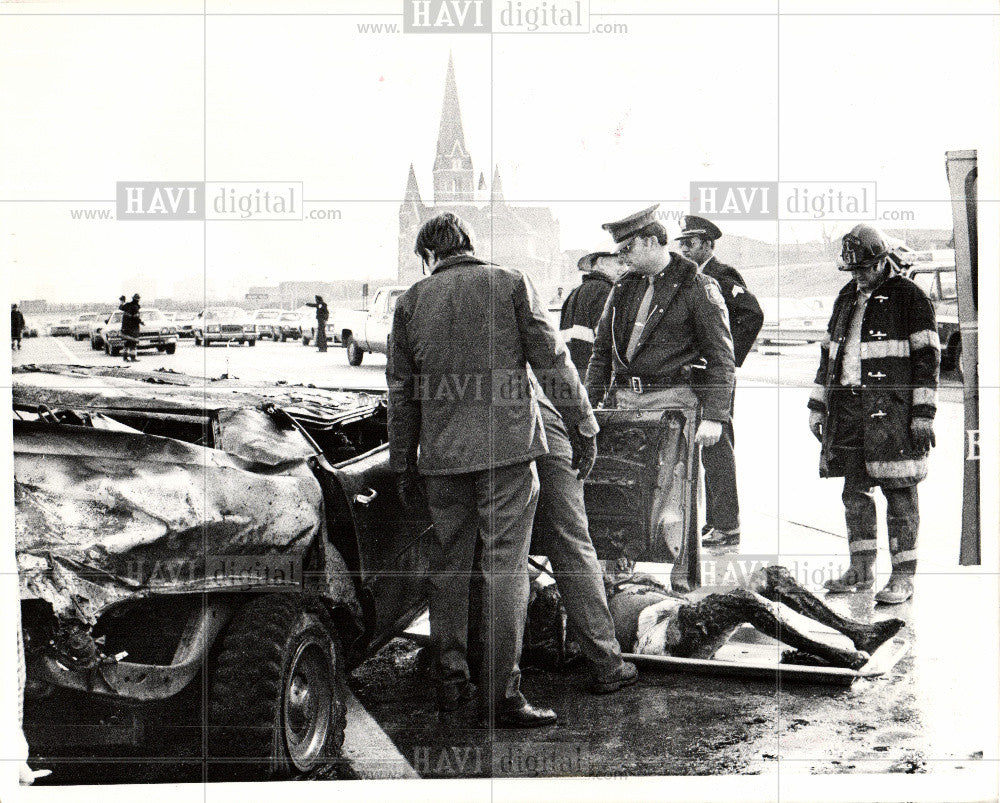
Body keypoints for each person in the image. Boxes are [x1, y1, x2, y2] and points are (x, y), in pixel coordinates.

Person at [387, 212, 597, 728]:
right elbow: (554, 361)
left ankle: (451, 682)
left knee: (450, 570)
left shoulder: (410, 303)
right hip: (506, 455)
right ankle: (502, 695)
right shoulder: (509, 283)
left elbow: (401, 394)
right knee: (506, 568)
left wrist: (402, 465)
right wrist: (583, 424)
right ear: (469, 245)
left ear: (427, 256)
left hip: (440, 461)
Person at [808, 224, 939, 605]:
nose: (858, 275)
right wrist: (818, 405)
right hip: (848, 409)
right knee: (854, 492)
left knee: (900, 493)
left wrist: (923, 414)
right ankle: (861, 571)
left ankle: (902, 576)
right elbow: (828, 356)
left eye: (864, 268)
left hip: (893, 413)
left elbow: (927, 359)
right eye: (852, 270)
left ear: (882, 260)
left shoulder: (910, 296)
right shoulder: (846, 297)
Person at [526, 565, 904, 671]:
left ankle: (856, 631)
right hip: (664, 636)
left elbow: (682, 597)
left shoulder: (629, 581)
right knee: (740, 599)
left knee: (770, 575)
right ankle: (833, 654)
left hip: (684, 614)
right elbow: (561, 653)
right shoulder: (576, 606)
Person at [585, 204, 735, 446]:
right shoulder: (622, 289)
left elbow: (720, 355)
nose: (622, 256)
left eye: (627, 248)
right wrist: (589, 406)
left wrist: (715, 417)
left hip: (672, 408)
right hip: (624, 404)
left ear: (651, 241)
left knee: (669, 482)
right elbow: (601, 352)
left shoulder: (697, 287)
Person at [676, 216, 764, 549]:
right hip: (696, 374)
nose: (684, 249)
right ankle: (716, 522)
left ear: (709, 245)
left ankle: (727, 525)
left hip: (714, 377)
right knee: (703, 450)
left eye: (691, 244)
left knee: (717, 449)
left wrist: (723, 358)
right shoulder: (692, 278)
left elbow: (752, 314)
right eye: (682, 244)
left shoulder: (722, 276)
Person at [559, 251, 625, 377]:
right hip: (595, 376)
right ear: (601, 262)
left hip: (575, 374)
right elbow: (610, 342)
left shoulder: (576, 292)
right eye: (620, 263)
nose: (624, 268)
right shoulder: (605, 290)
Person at [118, 293, 142, 362]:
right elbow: (136, 318)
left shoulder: (127, 305)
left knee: (127, 343)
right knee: (133, 343)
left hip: (125, 327)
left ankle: (125, 358)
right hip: (133, 328)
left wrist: (122, 301)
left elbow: (121, 307)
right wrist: (141, 322)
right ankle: (133, 357)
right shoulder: (135, 307)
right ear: (138, 300)